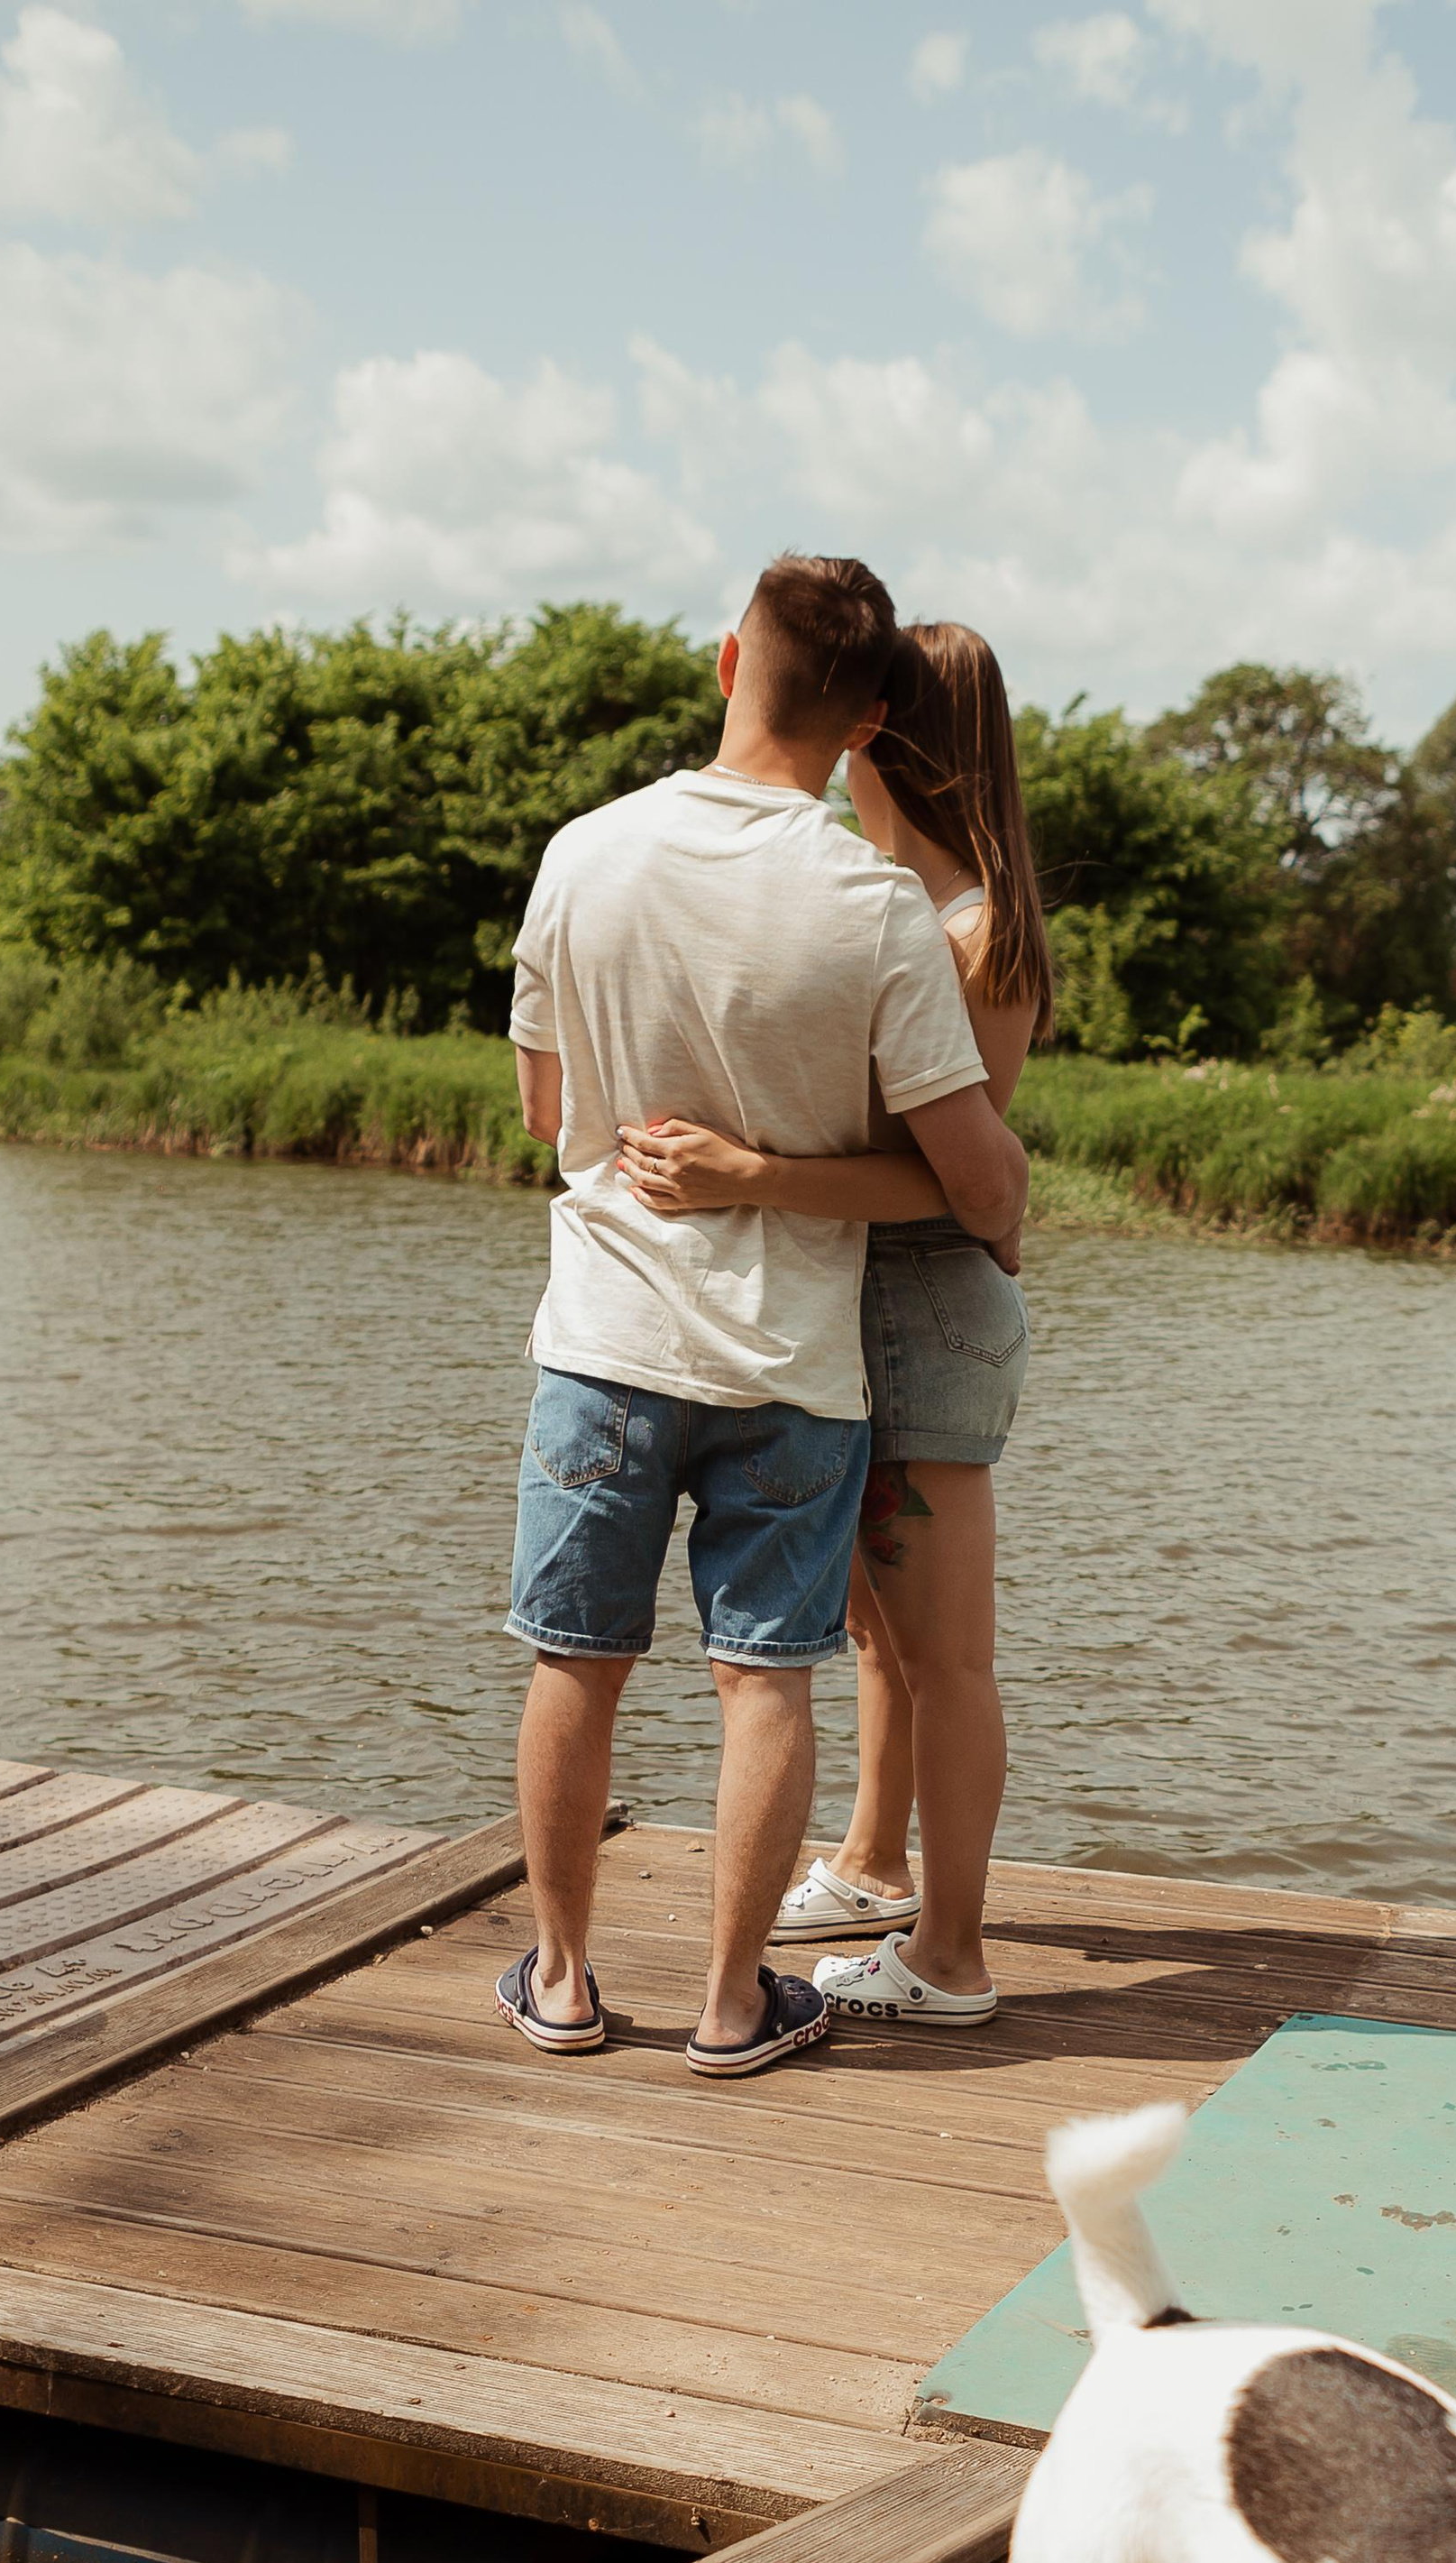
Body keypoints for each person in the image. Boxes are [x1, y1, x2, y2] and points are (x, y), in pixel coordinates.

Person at [500, 557, 1029, 2081]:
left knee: (573, 1661)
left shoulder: (584, 854)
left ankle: (566, 1981)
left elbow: (546, 1108)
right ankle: (735, 2005)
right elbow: (976, 1172)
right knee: (765, 1681)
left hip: (602, 1337)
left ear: (725, 658)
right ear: (867, 719)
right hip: (793, 1364)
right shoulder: (873, 906)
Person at [614, 622, 1050, 2027]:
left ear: (883, 729)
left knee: (948, 1654)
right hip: (865, 1298)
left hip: (925, 1298)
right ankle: (875, 1867)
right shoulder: (881, 895)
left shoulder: (969, 926)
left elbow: (965, 1181)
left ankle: (955, 1957)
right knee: (880, 1638)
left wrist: (751, 1177)